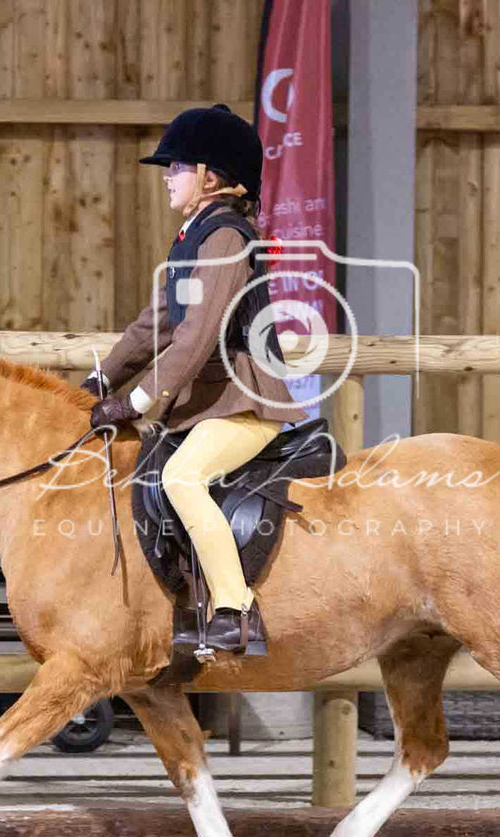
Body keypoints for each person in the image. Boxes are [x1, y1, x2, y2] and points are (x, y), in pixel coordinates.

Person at [85, 104, 307, 658]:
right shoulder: (192, 238)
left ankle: (236, 608)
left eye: (177, 165)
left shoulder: (227, 237)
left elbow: (198, 336)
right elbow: (155, 323)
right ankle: (182, 602)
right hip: (206, 405)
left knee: (184, 478)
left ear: (211, 175)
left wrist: (133, 400)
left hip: (246, 403)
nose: (167, 175)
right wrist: (99, 379)